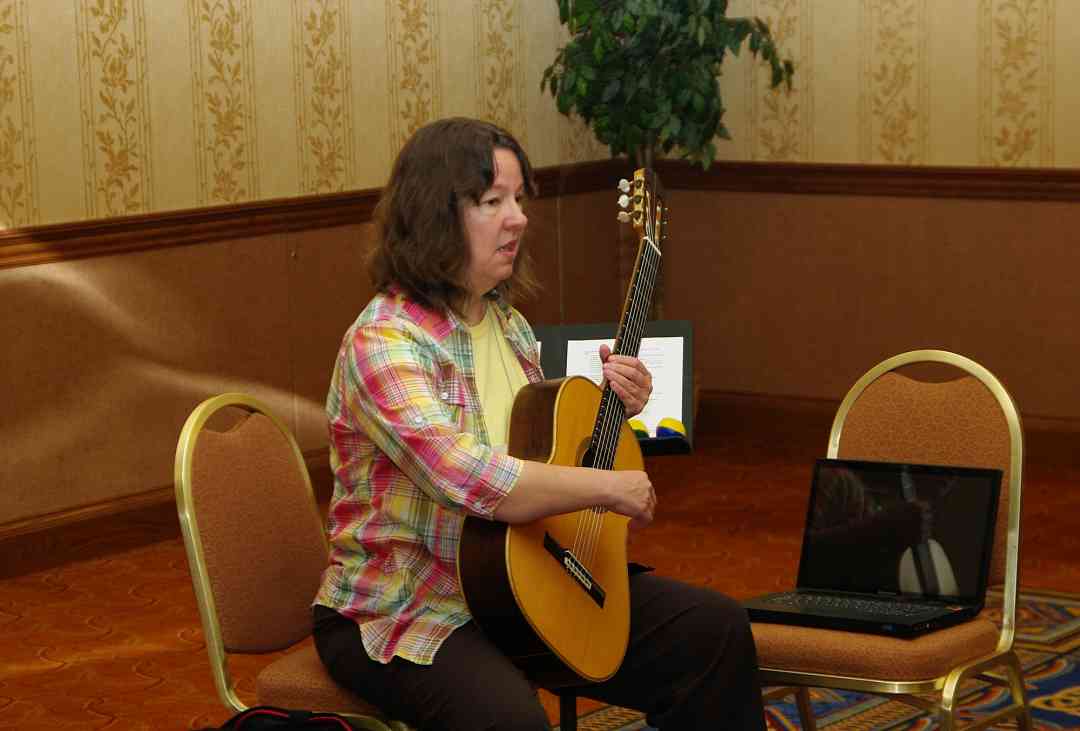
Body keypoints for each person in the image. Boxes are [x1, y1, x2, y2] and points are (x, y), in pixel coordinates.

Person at [311, 117, 764, 730]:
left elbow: (542, 461)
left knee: (714, 632)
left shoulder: (510, 326)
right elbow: (469, 477)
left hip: (522, 579)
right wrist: (608, 487)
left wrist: (611, 414)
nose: (518, 217)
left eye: (518, 198)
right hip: (407, 606)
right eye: (492, 201)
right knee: (510, 721)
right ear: (434, 217)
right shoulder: (385, 342)